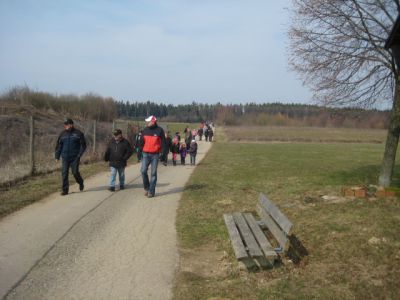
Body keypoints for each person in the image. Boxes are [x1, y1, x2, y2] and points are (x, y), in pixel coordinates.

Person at [55, 118, 87, 196]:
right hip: (65, 157)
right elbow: (59, 146)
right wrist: (57, 156)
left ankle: (80, 182)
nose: (65, 126)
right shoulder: (62, 134)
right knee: (64, 173)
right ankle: (65, 190)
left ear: (71, 125)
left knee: (75, 172)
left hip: (75, 157)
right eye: (64, 124)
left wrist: (79, 155)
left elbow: (83, 146)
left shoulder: (78, 133)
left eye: (67, 124)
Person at [139, 115, 167, 198]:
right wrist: (139, 152)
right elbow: (141, 142)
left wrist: (163, 154)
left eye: (148, 121)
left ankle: (151, 191)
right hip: (145, 154)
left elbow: (164, 144)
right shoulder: (145, 130)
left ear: (153, 121)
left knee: (153, 173)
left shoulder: (160, 130)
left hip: (155, 155)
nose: (146, 122)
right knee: (143, 171)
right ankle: (147, 188)